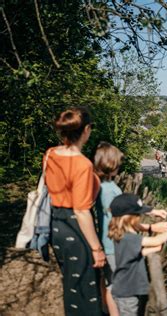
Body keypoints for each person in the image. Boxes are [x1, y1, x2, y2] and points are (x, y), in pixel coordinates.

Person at [45, 107, 104, 315]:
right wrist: (97, 248)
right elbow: (81, 211)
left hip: (56, 226)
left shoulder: (50, 154)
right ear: (86, 130)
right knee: (86, 288)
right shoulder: (82, 164)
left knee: (71, 283)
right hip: (76, 229)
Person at [108, 193, 167, 316]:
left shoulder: (120, 236)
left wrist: (155, 248)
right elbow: (156, 240)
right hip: (128, 292)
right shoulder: (130, 238)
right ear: (130, 218)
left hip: (124, 289)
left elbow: (132, 257)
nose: (140, 217)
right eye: (138, 215)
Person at [93, 142, 124, 316]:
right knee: (114, 285)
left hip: (104, 241)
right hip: (113, 243)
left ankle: (104, 310)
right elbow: (121, 215)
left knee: (106, 281)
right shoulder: (110, 190)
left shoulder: (99, 186)